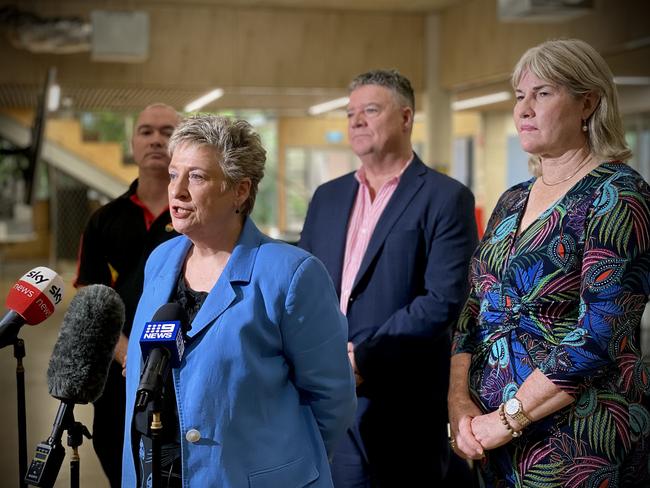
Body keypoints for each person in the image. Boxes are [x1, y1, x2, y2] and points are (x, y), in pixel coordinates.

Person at [448, 38, 650, 487]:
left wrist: (507, 419)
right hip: (491, 443)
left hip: (576, 444)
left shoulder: (617, 194)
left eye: (542, 93)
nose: (524, 109)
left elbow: (599, 334)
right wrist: (459, 405)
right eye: (520, 96)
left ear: (588, 102)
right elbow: (473, 311)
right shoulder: (513, 199)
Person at [121, 114, 357, 487]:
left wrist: (282, 468)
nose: (177, 190)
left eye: (196, 177)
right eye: (173, 174)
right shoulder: (161, 260)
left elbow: (333, 400)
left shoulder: (292, 274)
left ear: (240, 191)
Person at [299, 69, 478, 487]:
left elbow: (443, 299)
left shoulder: (445, 197)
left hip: (403, 403)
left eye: (371, 110)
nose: (356, 120)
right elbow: (301, 288)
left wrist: (361, 358)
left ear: (405, 117)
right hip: (325, 397)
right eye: (350, 113)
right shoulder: (327, 197)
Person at [74, 103, 181, 487]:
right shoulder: (104, 220)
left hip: (185, 369)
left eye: (167, 131)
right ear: (133, 143)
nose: (156, 139)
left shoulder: (197, 216)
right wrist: (126, 355)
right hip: (119, 377)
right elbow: (90, 298)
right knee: (121, 465)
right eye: (146, 131)